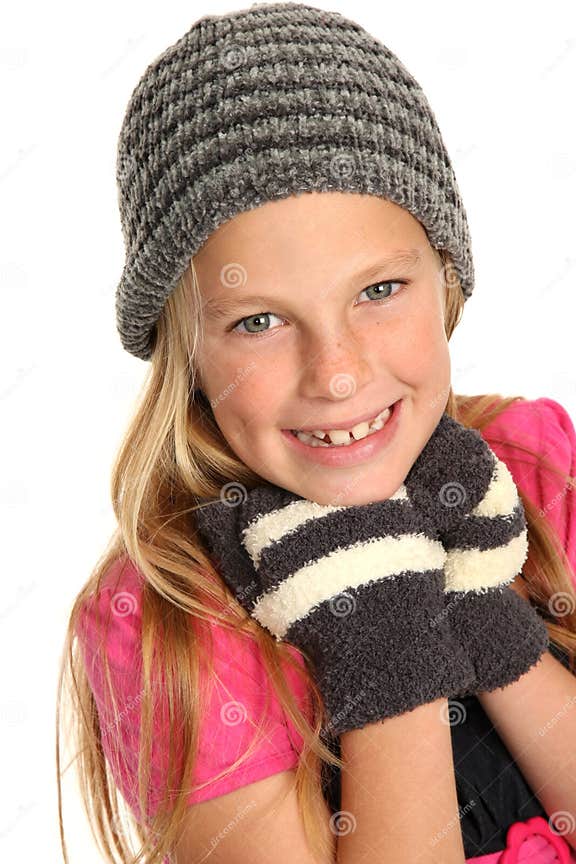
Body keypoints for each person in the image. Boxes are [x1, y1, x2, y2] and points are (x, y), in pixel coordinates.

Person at [56, 3, 576, 863]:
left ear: (445, 280)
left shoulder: (534, 466)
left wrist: (484, 609)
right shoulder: (174, 623)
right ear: (184, 349)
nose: (335, 373)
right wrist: (382, 624)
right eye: (259, 320)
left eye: (378, 291)